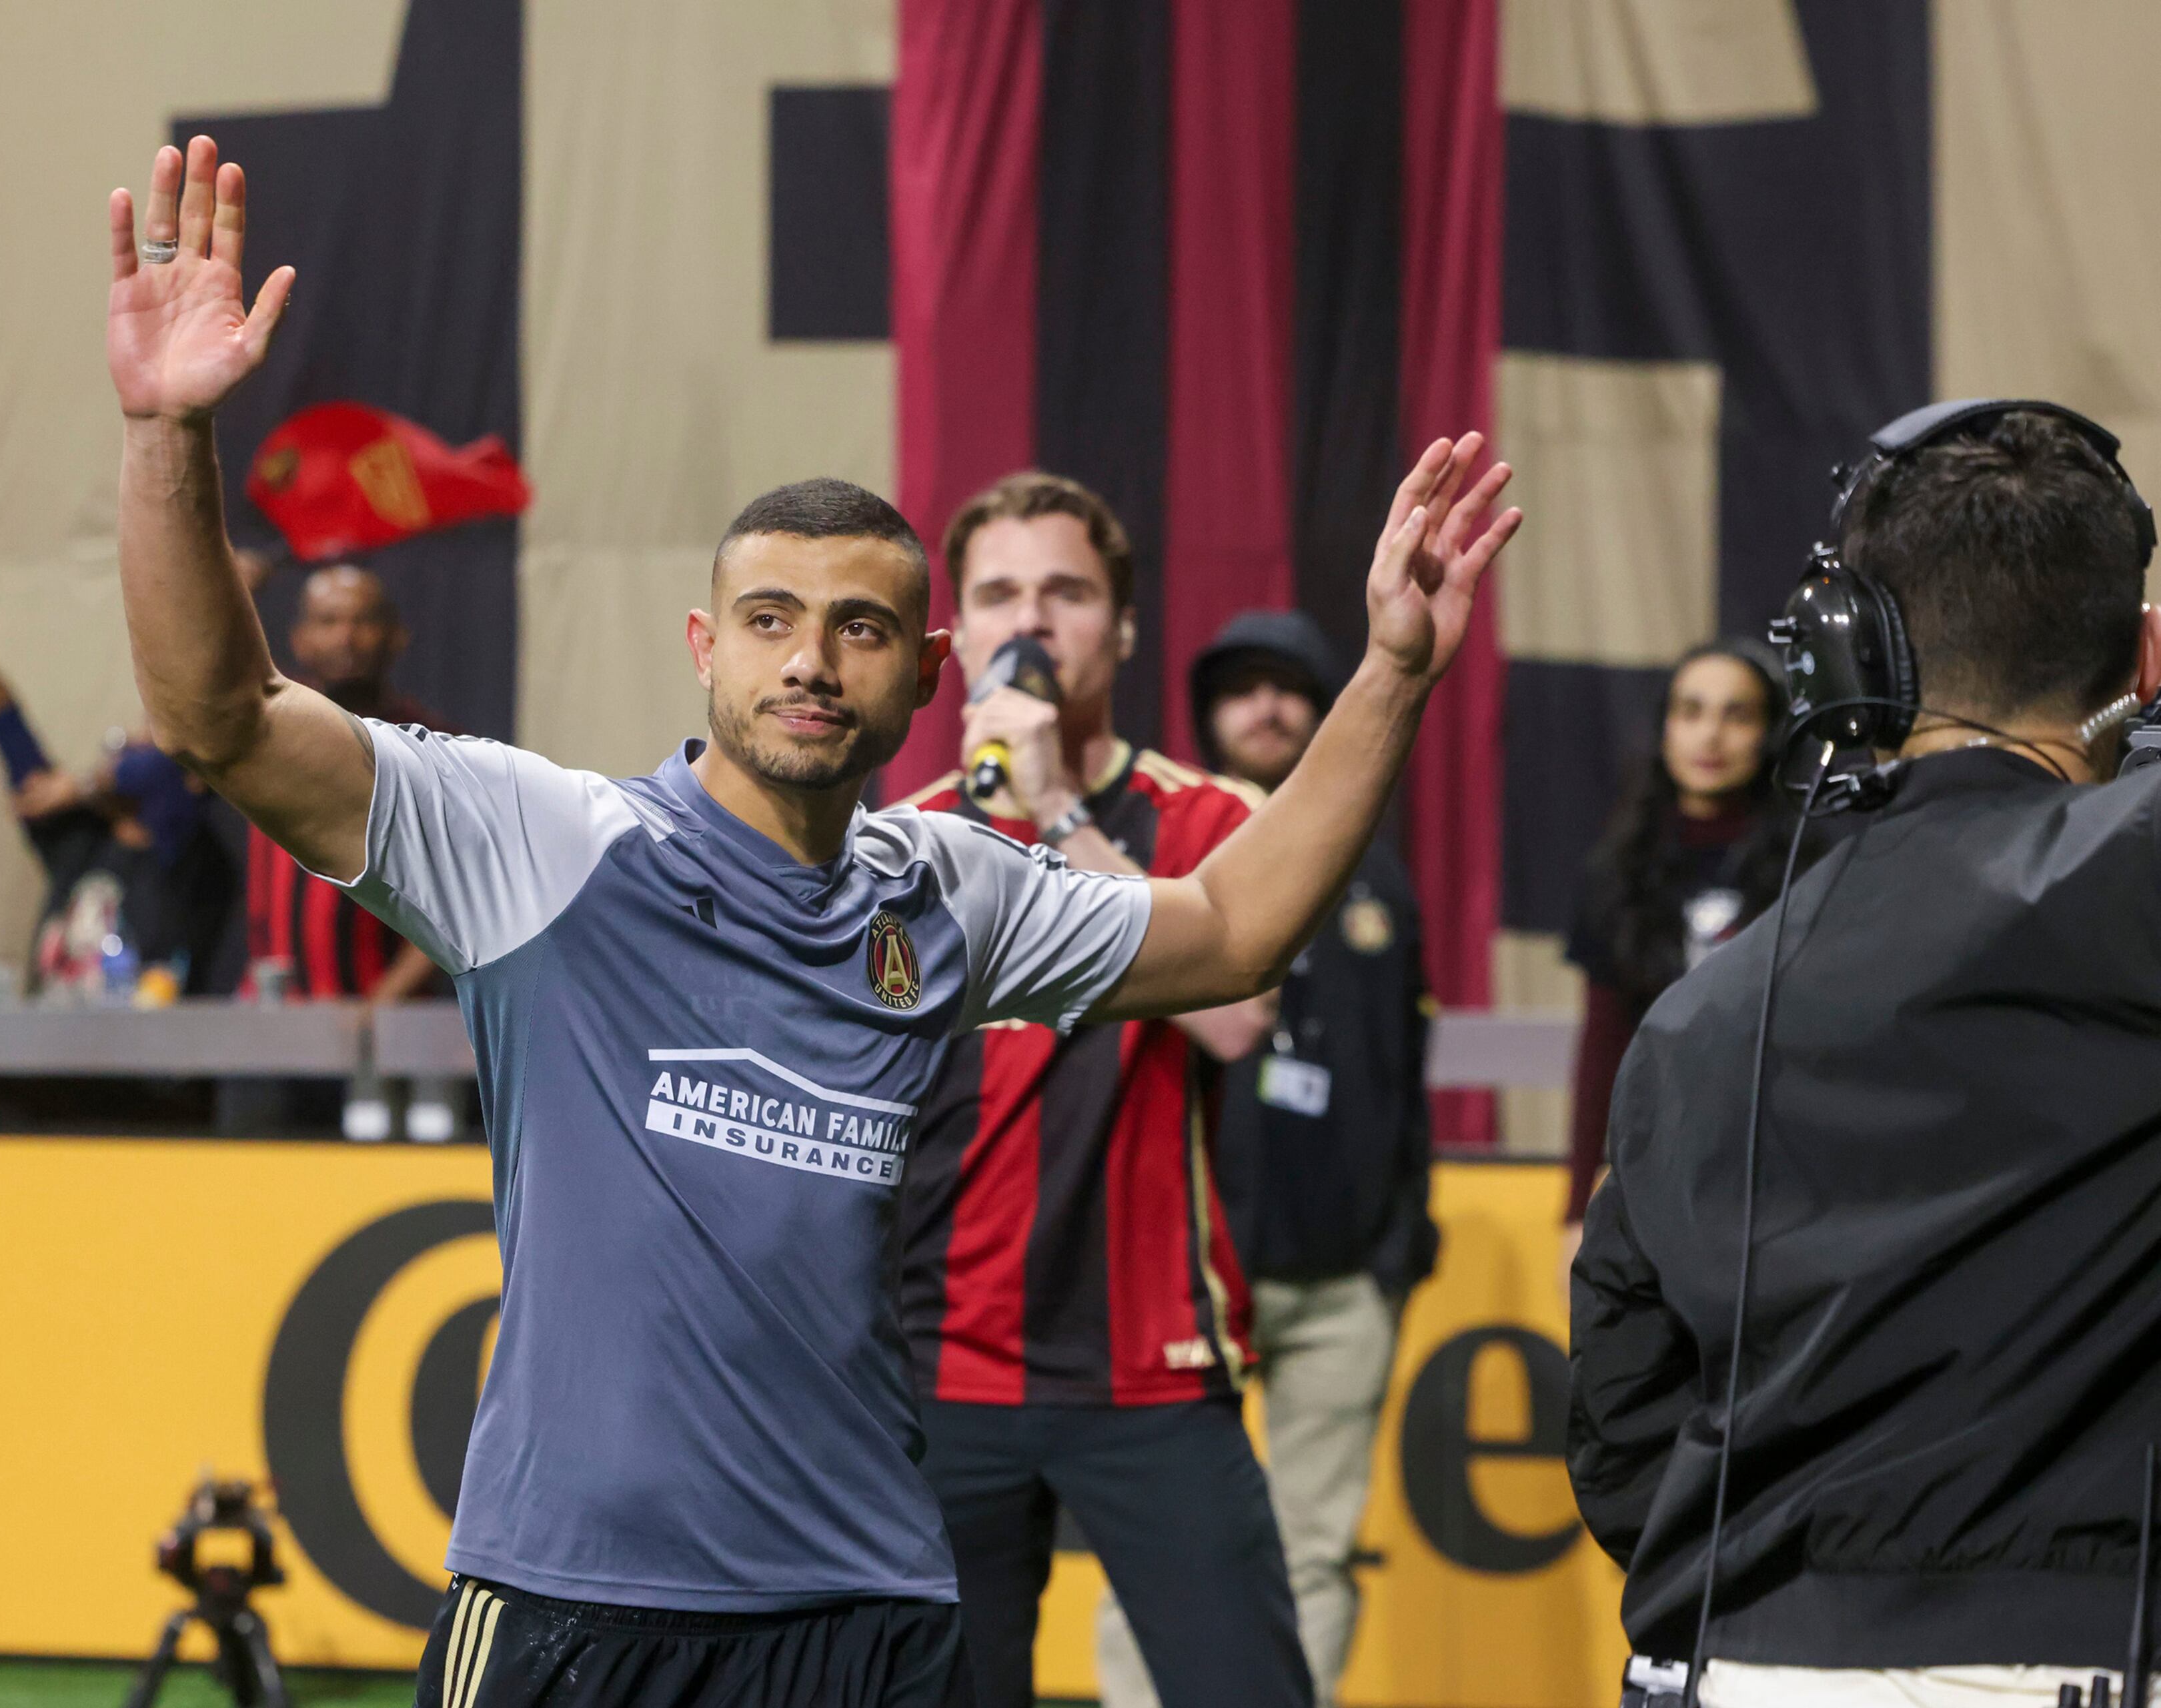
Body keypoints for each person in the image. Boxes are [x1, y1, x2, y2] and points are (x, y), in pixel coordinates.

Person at [105, 133, 1515, 1708]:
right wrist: (172, 434)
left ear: (921, 677)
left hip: (863, 1604)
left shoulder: (947, 886)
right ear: (705, 646)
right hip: (575, 1596)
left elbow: (1232, 931)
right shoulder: (547, 843)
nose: (808, 661)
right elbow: (222, 716)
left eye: (856, 629)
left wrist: (1391, 670)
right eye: (770, 620)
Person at [1569, 403, 2161, 1704]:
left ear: (1850, 670)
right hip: (2080, 1645)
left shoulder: (1692, 1018)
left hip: (1736, 1653)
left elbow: (1620, 1426)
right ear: (2146, 653)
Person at [890, 476, 1311, 1708]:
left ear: (1123, 629)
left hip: (1155, 1367)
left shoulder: (1210, 819)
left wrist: (1059, 805)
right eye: (1001, 595)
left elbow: (1239, 1020)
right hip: (938, 1369)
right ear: (953, 639)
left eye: (1068, 593)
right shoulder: (901, 841)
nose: (1036, 620)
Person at [1093, 608, 1439, 1703]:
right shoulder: (1169, 861)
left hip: (1343, 1277)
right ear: (1205, 714)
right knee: (1156, 1548)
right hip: (1194, 1276)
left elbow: (1402, 1075)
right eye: (1241, 686)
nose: (1267, 706)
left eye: (1291, 686)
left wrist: (1399, 1244)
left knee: (1317, 1550)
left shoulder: (1378, 881)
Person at [0, 531, 237, 998]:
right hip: (54, 1066)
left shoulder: (187, 854)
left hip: (148, 1068)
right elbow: (4, 723)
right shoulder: (80, 842)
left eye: (143, 743)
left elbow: (161, 773)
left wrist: (81, 785)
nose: (123, 750)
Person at [1561, 640, 1795, 1230]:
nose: (1709, 735)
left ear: (1770, 733)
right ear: (1664, 728)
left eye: (1736, 715)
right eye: (1690, 711)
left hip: (1781, 1183)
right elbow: (1602, 1048)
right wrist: (1576, 1207)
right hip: (1653, 1176)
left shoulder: (1811, 866)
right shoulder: (1618, 870)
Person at [247, 562, 446, 1004]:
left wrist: (384, 1002)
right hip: (273, 1018)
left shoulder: (427, 748)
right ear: (300, 639)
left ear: (397, 635)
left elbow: (454, 894)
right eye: (329, 621)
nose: (347, 637)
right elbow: (194, 698)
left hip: (381, 1021)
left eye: (364, 621)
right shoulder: (268, 732)